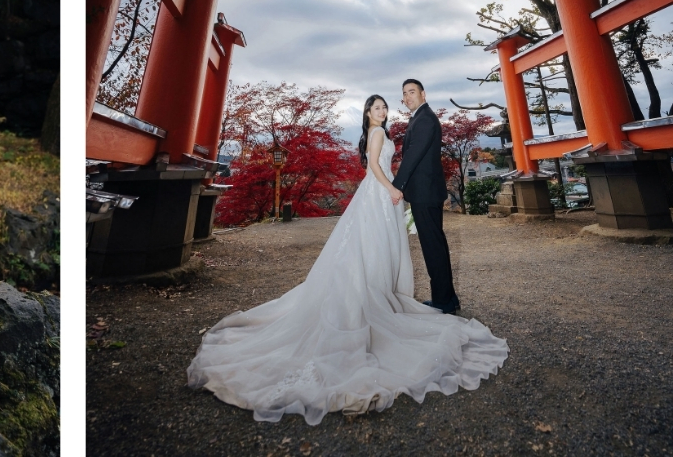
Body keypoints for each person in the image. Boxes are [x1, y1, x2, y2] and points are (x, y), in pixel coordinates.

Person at [186, 93, 508, 425]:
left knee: (369, 251)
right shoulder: (378, 133)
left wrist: (392, 188)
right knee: (371, 249)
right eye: (377, 107)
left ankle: (373, 292)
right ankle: (369, 298)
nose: (382, 111)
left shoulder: (379, 132)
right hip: (379, 194)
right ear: (368, 112)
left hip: (377, 197)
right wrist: (394, 189)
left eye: (385, 107)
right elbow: (373, 169)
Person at [392, 78, 459, 313]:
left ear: (423, 94)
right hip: (425, 191)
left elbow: (412, 156)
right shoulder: (420, 118)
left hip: (425, 193)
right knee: (434, 246)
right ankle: (447, 298)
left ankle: (443, 301)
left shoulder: (425, 119)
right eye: (404, 93)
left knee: (433, 247)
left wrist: (396, 186)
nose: (408, 97)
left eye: (412, 91)